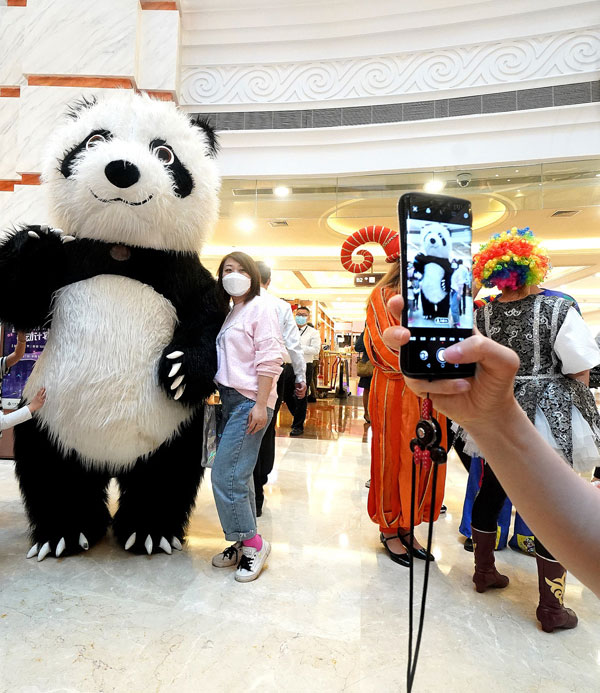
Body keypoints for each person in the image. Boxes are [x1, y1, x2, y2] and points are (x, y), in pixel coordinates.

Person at [381, 293, 600, 599]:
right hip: (547, 411)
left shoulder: (482, 313)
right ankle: (552, 603)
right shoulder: (560, 308)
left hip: (497, 405)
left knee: (492, 489)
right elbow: (580, 369)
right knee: (551, 496)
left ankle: (483, 571)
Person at [365, 263, 446, 567]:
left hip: (430, 390)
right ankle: (389, 527)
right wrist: (426, 364)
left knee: (424, 459)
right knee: (392, 457)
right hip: (395, 388)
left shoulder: (438, 294)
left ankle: (408, 526)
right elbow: (380, 347)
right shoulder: (382, 295)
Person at [210, 252, 284, 582]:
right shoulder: (232, 311)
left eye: (241, 270)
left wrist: (261, 404)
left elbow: (270, 357)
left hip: (249, 400)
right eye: (228, 269)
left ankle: (255, 544)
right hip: (229, 400)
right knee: (240, 476)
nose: (234, 275)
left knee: (226, 475)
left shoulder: (261, 307)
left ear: (253, 276)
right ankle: (243, 541)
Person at [253, 261, 306, 516]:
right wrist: (300, 377)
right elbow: (293, 345)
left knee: (242, 430)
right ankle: (259, 485)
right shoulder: (280, 306)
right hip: (276, 372)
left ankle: (249, 489)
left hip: (242, 374)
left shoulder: (234, 304)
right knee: (266, 428)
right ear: (269, 281)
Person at [281, 306, 321, 436]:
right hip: (289, 365)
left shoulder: (313, 333)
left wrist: (297, 348)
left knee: (300, 395)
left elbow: (315, 350)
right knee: (286, 394)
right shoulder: (288, 330)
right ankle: (298, 415)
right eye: (298, 314)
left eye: (304, 315)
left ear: (308, 317)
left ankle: (298, 425)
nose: (301, 317)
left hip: (305, 366)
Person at [354, 330, 372, 424]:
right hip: (368, 364)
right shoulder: (366, 332)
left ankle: (377, 413)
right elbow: (358, 347)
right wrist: (371, 344)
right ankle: (366, 413)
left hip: (382, 365)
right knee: (367, 389)